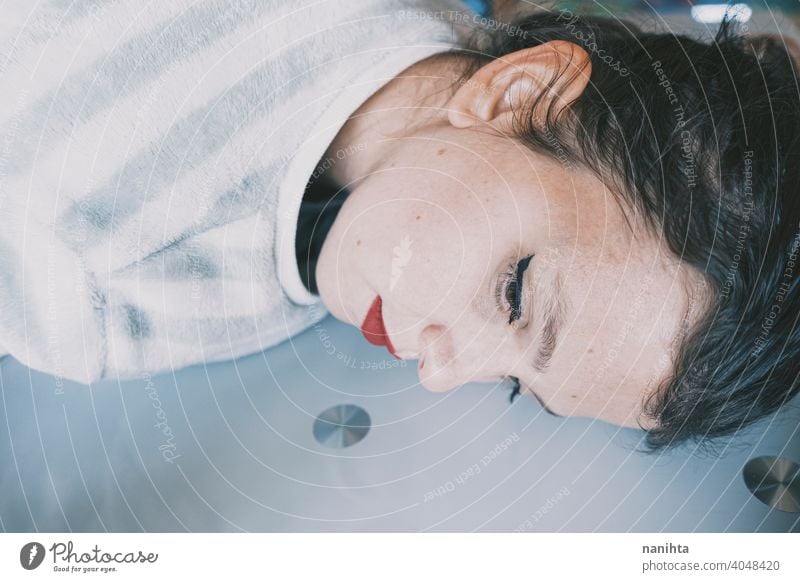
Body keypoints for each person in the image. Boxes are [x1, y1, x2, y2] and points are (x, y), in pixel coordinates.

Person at [0, 1, 797, 452]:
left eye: (516, 386)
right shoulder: (98, 266)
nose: (439, 373)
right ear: (518, 92)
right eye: (515, 296)